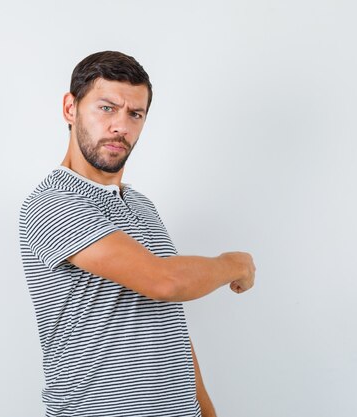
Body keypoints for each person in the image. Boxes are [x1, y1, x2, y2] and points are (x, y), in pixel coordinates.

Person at [19, 51, 256, 417]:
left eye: (135, 114)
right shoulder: (53, 204)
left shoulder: (142, 205)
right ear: (71, 108)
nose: (121, 126)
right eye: (106, 108)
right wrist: (234, 264)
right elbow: (165, 281)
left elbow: (169, 321)